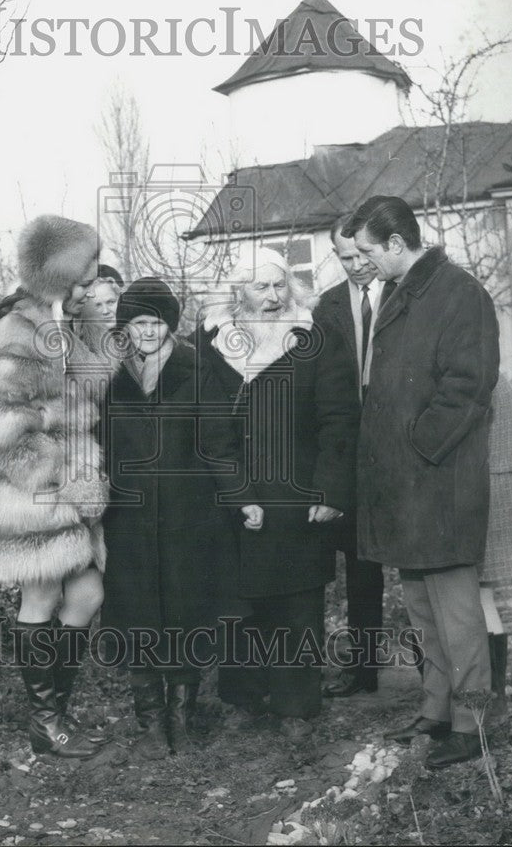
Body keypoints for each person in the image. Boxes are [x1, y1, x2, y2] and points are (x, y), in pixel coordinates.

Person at [342, 196, 500, 769]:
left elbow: (469, 384)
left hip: (439, 482)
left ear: (395, 243)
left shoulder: (459, 292)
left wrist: (418, 447)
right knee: (421, 606)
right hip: (406, 487)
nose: (360, 262)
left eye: (366, 251)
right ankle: (436, 709)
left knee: (456, 611)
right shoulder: (400, 291)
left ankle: (473, 723)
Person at [195, 245, 361, 738]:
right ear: (238, 293)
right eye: (260, 287)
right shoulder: (211, 341)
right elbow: (209, 428)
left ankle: (296, 706)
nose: (272, 296)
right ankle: (243, 699)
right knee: (238, 604)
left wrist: (330, 491)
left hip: (297, 492)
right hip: (234, 492)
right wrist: (236, 492)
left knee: (297, 604)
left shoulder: (315, 336)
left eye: (279, 284)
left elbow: (339, 420)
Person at [101, 278, 261, 757]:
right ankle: (152, 726)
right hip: (128, 520)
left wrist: (242, 498)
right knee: (138, 620)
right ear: (125, 327)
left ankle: (181, 720)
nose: (148, 332)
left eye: (156, 322)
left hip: (188, 520)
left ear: (170, 324)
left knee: (186, 618)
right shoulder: (110, 377)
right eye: (138, 322)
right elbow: (96, 446)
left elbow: (218, 443)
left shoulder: (197, 369)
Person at [0, 215, 110, 759]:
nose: (90, 291)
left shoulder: (71, 328)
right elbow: (6, 433)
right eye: (82, 282)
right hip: (32, 496)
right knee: (43, 595)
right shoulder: (17, 333)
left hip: (73, 494)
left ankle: (56, 713)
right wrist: (64, 480)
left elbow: (92, 396)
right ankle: (46, 723)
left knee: (88, 594)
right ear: (57, 279)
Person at [313, 219, 393, 697]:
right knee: (360, 566)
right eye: (347, 258)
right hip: (347, 453)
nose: (358, 265)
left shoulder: (403, 295)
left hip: (397, 451)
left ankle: (438, 670)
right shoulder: (325, 308)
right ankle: (364, 671)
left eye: (364, 255)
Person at [478, 372, 512, 714]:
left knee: (478, 597)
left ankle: (492, 692)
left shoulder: (483, 378)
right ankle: (495, 692)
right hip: (502, 487)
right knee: (484, 598)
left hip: (487, 493)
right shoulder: (499, 377)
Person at [74, 276, 120, 355]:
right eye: (97, 305)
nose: (105, 311)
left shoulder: (137, 336)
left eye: (110, 302)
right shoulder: (85, 348)